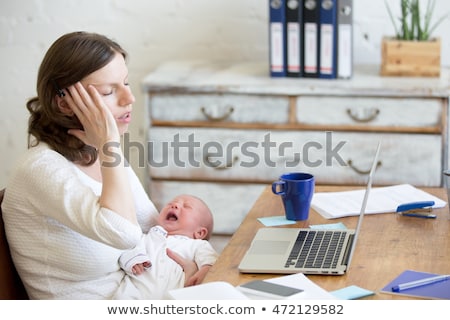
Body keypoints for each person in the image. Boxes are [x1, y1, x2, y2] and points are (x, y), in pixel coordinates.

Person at [1, 31, 203, 299]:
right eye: (109, 91)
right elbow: (125, 235)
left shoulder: (100, 154)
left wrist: (190, 266)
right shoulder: (40, 168)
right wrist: (110, 143)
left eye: (126, 83)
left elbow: (152, 231)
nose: (129, 99)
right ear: (65, 103)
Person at [119, 194, 218, 299]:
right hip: (135, 296)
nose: (174, 205)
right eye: (170, 203)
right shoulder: (147, 237)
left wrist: (206, 269)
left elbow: (211, 258)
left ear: (199, 233)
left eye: (187, 206)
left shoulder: (197, 245)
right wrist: (131, 260)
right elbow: (125, 250)